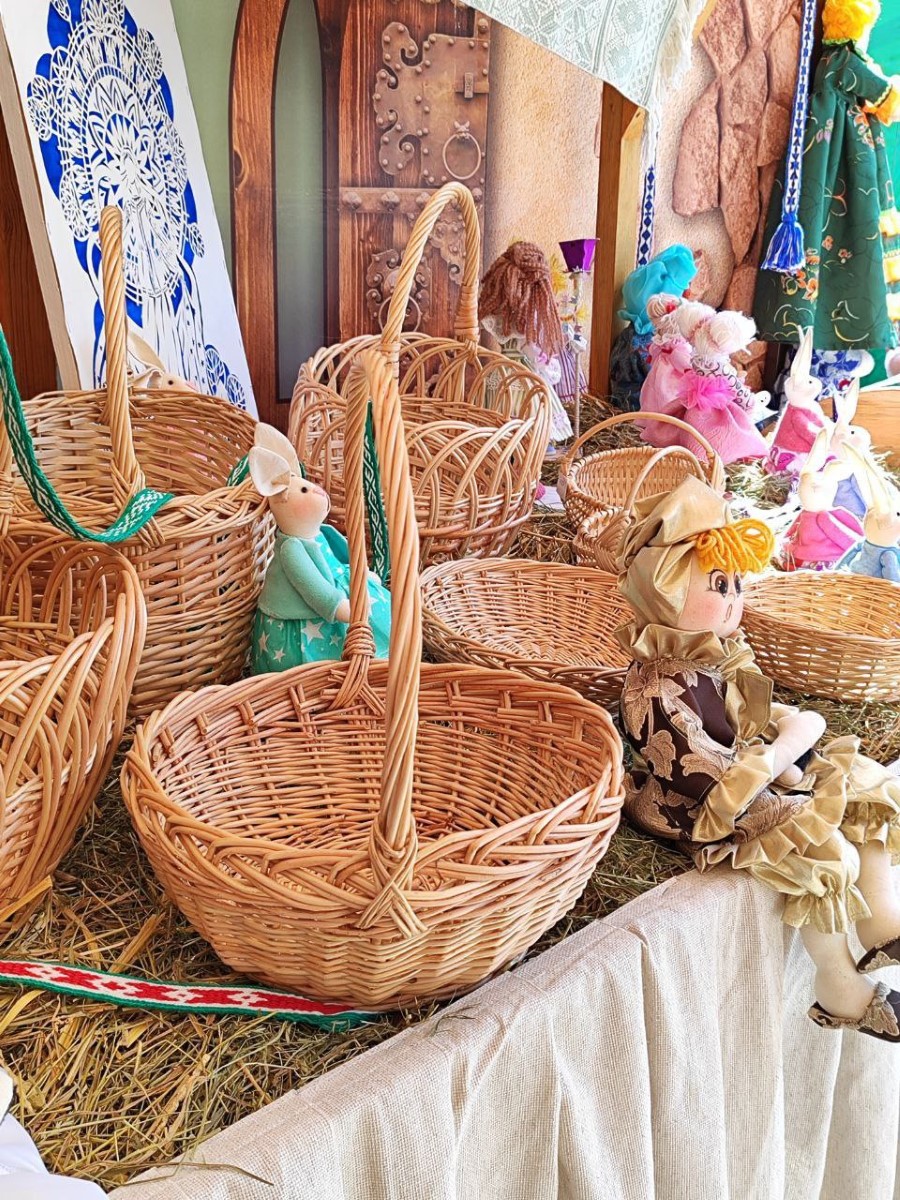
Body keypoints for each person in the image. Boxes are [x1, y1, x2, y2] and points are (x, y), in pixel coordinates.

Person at [617, 476, 900, 1040]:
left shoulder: (715, 657)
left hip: (748, 765)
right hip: (698, 803)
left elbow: (748, 714)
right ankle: (839, 985)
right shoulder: (655, 689)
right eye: (717, 585)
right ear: (663, 591)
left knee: (857, 776)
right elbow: (708, 774)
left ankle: (881, 920)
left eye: (737, 585)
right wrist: (785, 751)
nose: (732, 600)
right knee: (812, 839)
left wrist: (789, 729)